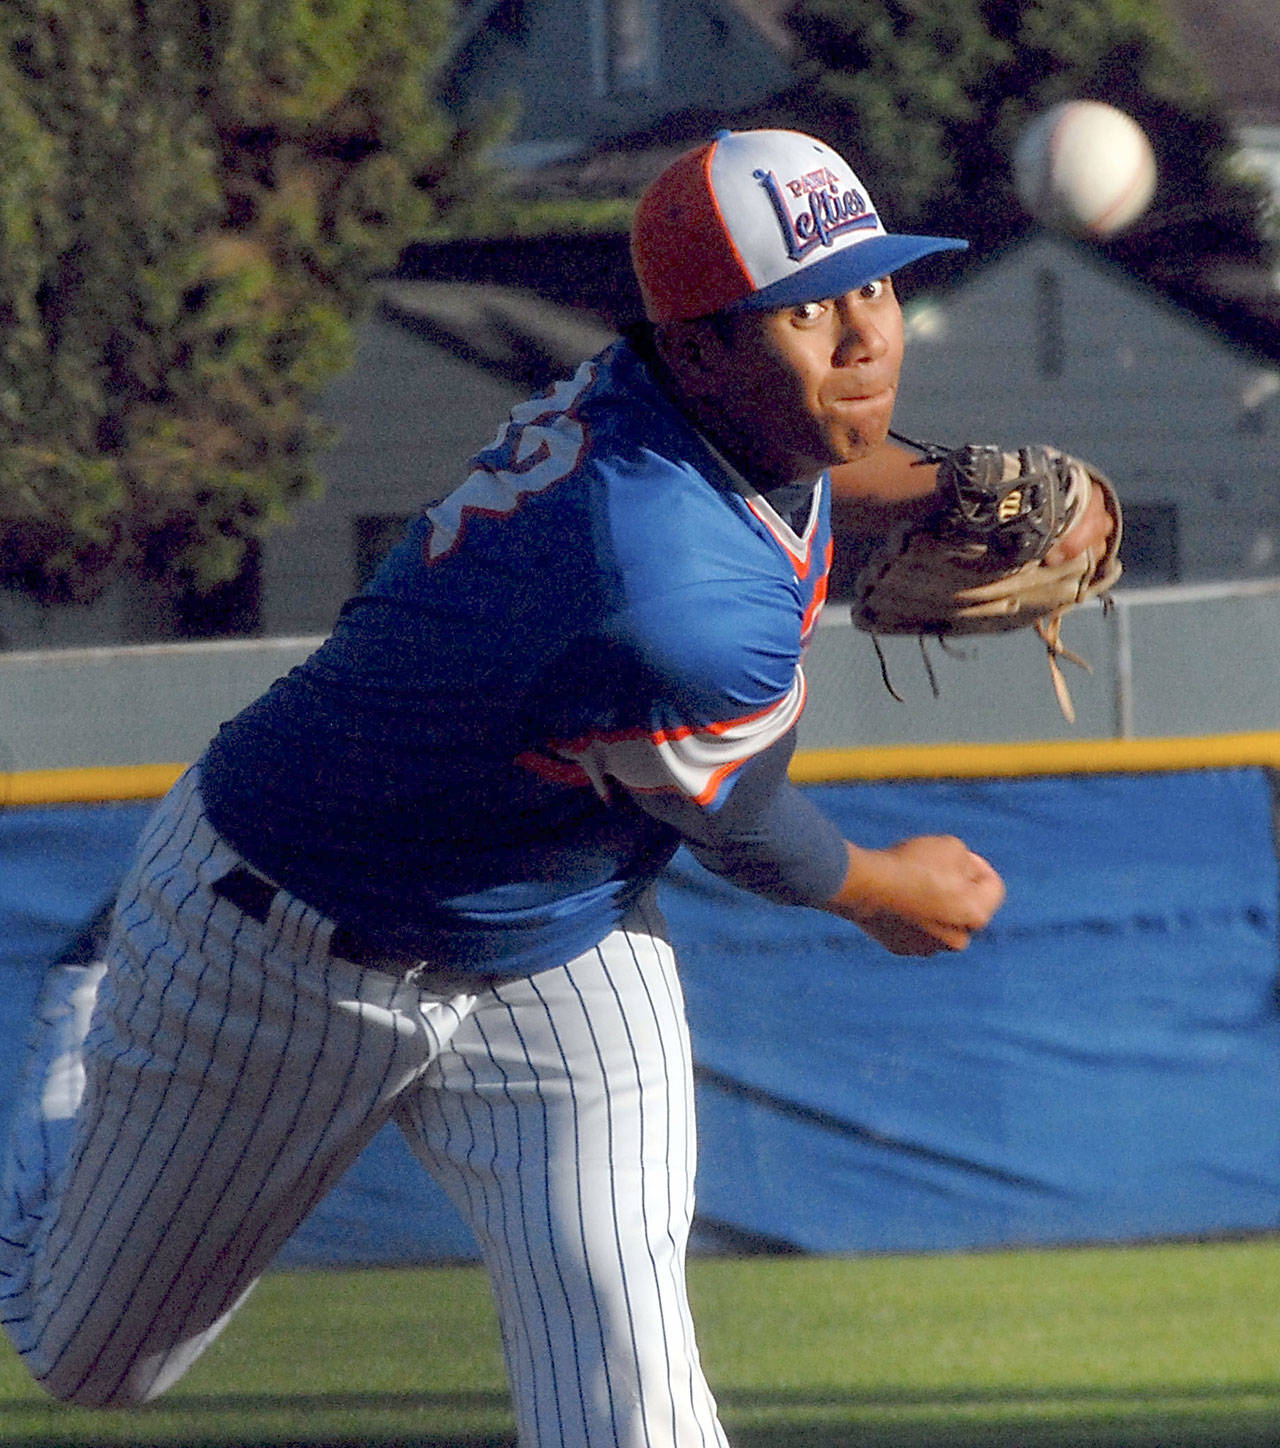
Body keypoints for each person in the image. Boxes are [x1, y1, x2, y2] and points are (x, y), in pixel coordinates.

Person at [0, 128, 1109, 1442]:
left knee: (629, 1388)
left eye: (872, 286)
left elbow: (814, 459)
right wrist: (890, 890)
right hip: (277, 938)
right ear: (698, 345)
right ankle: (90, 997)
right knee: (92, 1362)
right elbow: (749, 831)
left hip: (559, 945)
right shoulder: (662, 587)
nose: (866, 335)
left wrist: (958, 483)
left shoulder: (687, 402)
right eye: (808, 309)